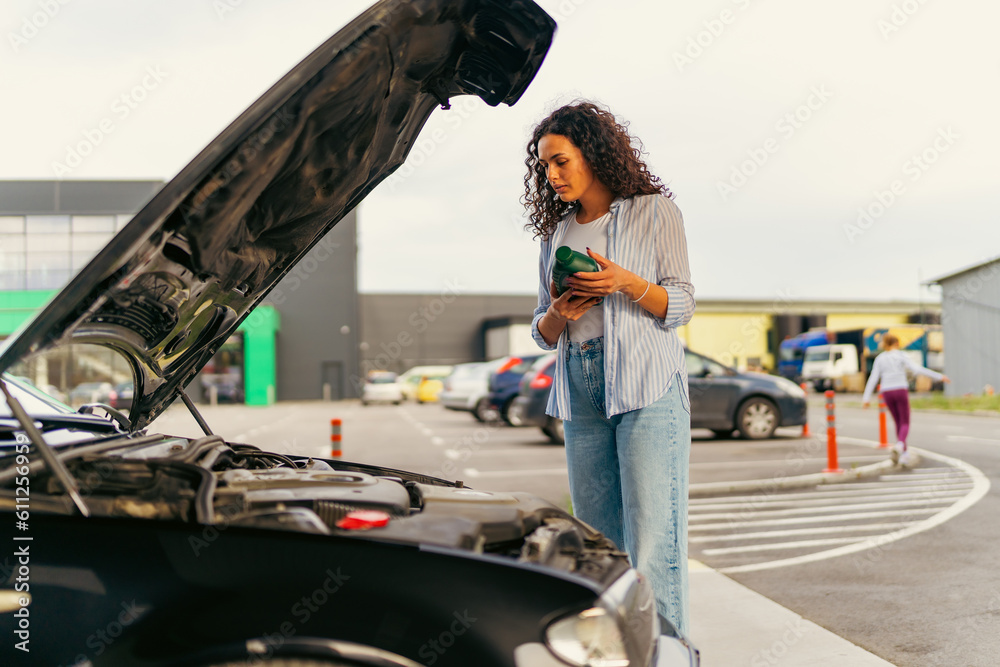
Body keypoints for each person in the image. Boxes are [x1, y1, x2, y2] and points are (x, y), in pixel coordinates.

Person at [523, 101, 695, 634]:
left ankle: (664, 653)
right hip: (579, 387)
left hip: (647, 384)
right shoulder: (556, 237)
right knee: (598, 545)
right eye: (543, 166)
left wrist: (626, 283)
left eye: (560, 161)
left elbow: (682, 304)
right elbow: (539, 330)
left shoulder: (653, 211)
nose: (550, 175)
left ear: (593, 154)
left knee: (651, 542)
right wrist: (557, 313)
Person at [862, 333, 950, 466]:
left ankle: (904, 453)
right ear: (896, 343)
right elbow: (917, 369)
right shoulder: (901, 355)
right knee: (905, 422)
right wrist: (939, 377)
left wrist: (866, 398)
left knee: (898, 421)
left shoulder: (880, 358)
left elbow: (873, 378)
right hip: (900, 389)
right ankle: (900, 446)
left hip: (887, 391)